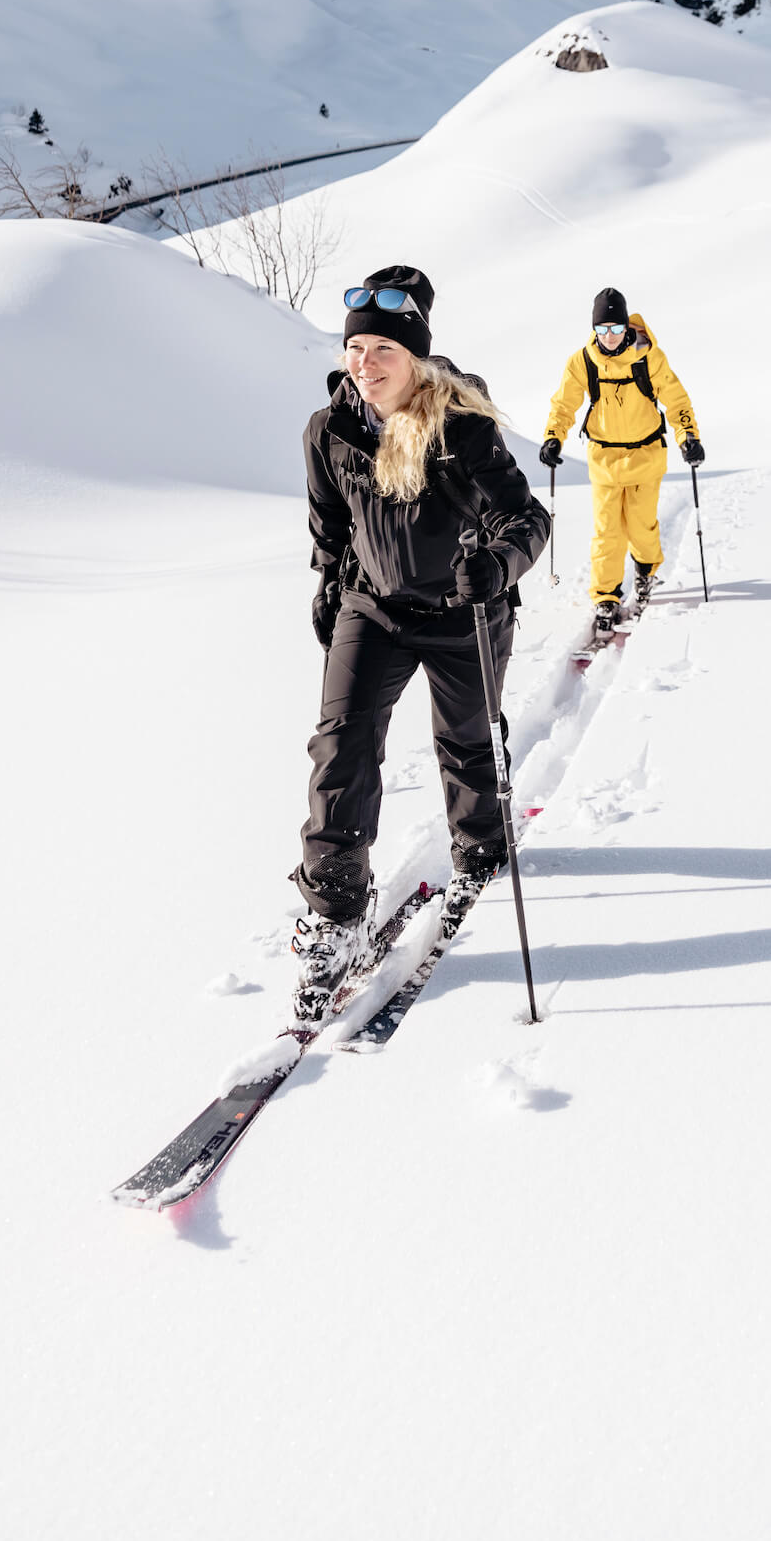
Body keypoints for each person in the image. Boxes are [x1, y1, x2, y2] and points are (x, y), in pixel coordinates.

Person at [292, 264, 549, 1019]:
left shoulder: (459, 425)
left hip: (463, 611)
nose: (365, 365)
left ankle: (479, 845)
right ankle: (337, 914)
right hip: (373, 611)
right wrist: (329, 588)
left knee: (467, 744)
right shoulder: (329, 429)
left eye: (384, 352)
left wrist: (496, 565)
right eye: (357, 348)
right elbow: (330, 529)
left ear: (416, 357)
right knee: (341, 744)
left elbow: (527, 520)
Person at [539, 286, 703, 633]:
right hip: (604, 459)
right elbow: (564, 404)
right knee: (607, 532)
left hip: (646, 456)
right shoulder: (582, 361)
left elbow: (677, 402)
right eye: (602, 330)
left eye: (615, 328)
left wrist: (688, 438)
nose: (609, 337)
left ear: (626, 327)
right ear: (594, 330)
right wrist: (554, 437)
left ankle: (645, 574)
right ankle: (605, 597)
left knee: (641, 526)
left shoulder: (649, 358)